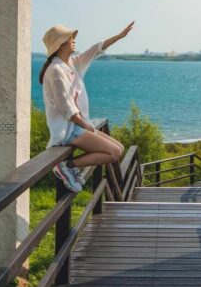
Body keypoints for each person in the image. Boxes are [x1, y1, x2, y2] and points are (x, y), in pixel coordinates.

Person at [39, 21, 134, 191]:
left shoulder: (72, 63)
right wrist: (86, 125)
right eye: (69, 38)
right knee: (114, 153)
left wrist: (119, 37)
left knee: (119, 148)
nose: (73, 39)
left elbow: (96, 49)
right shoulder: (55, 71)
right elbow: (66, 108)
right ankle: (68, 166)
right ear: (60, 45)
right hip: (67, 130)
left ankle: (72, 168)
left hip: (77, 126)